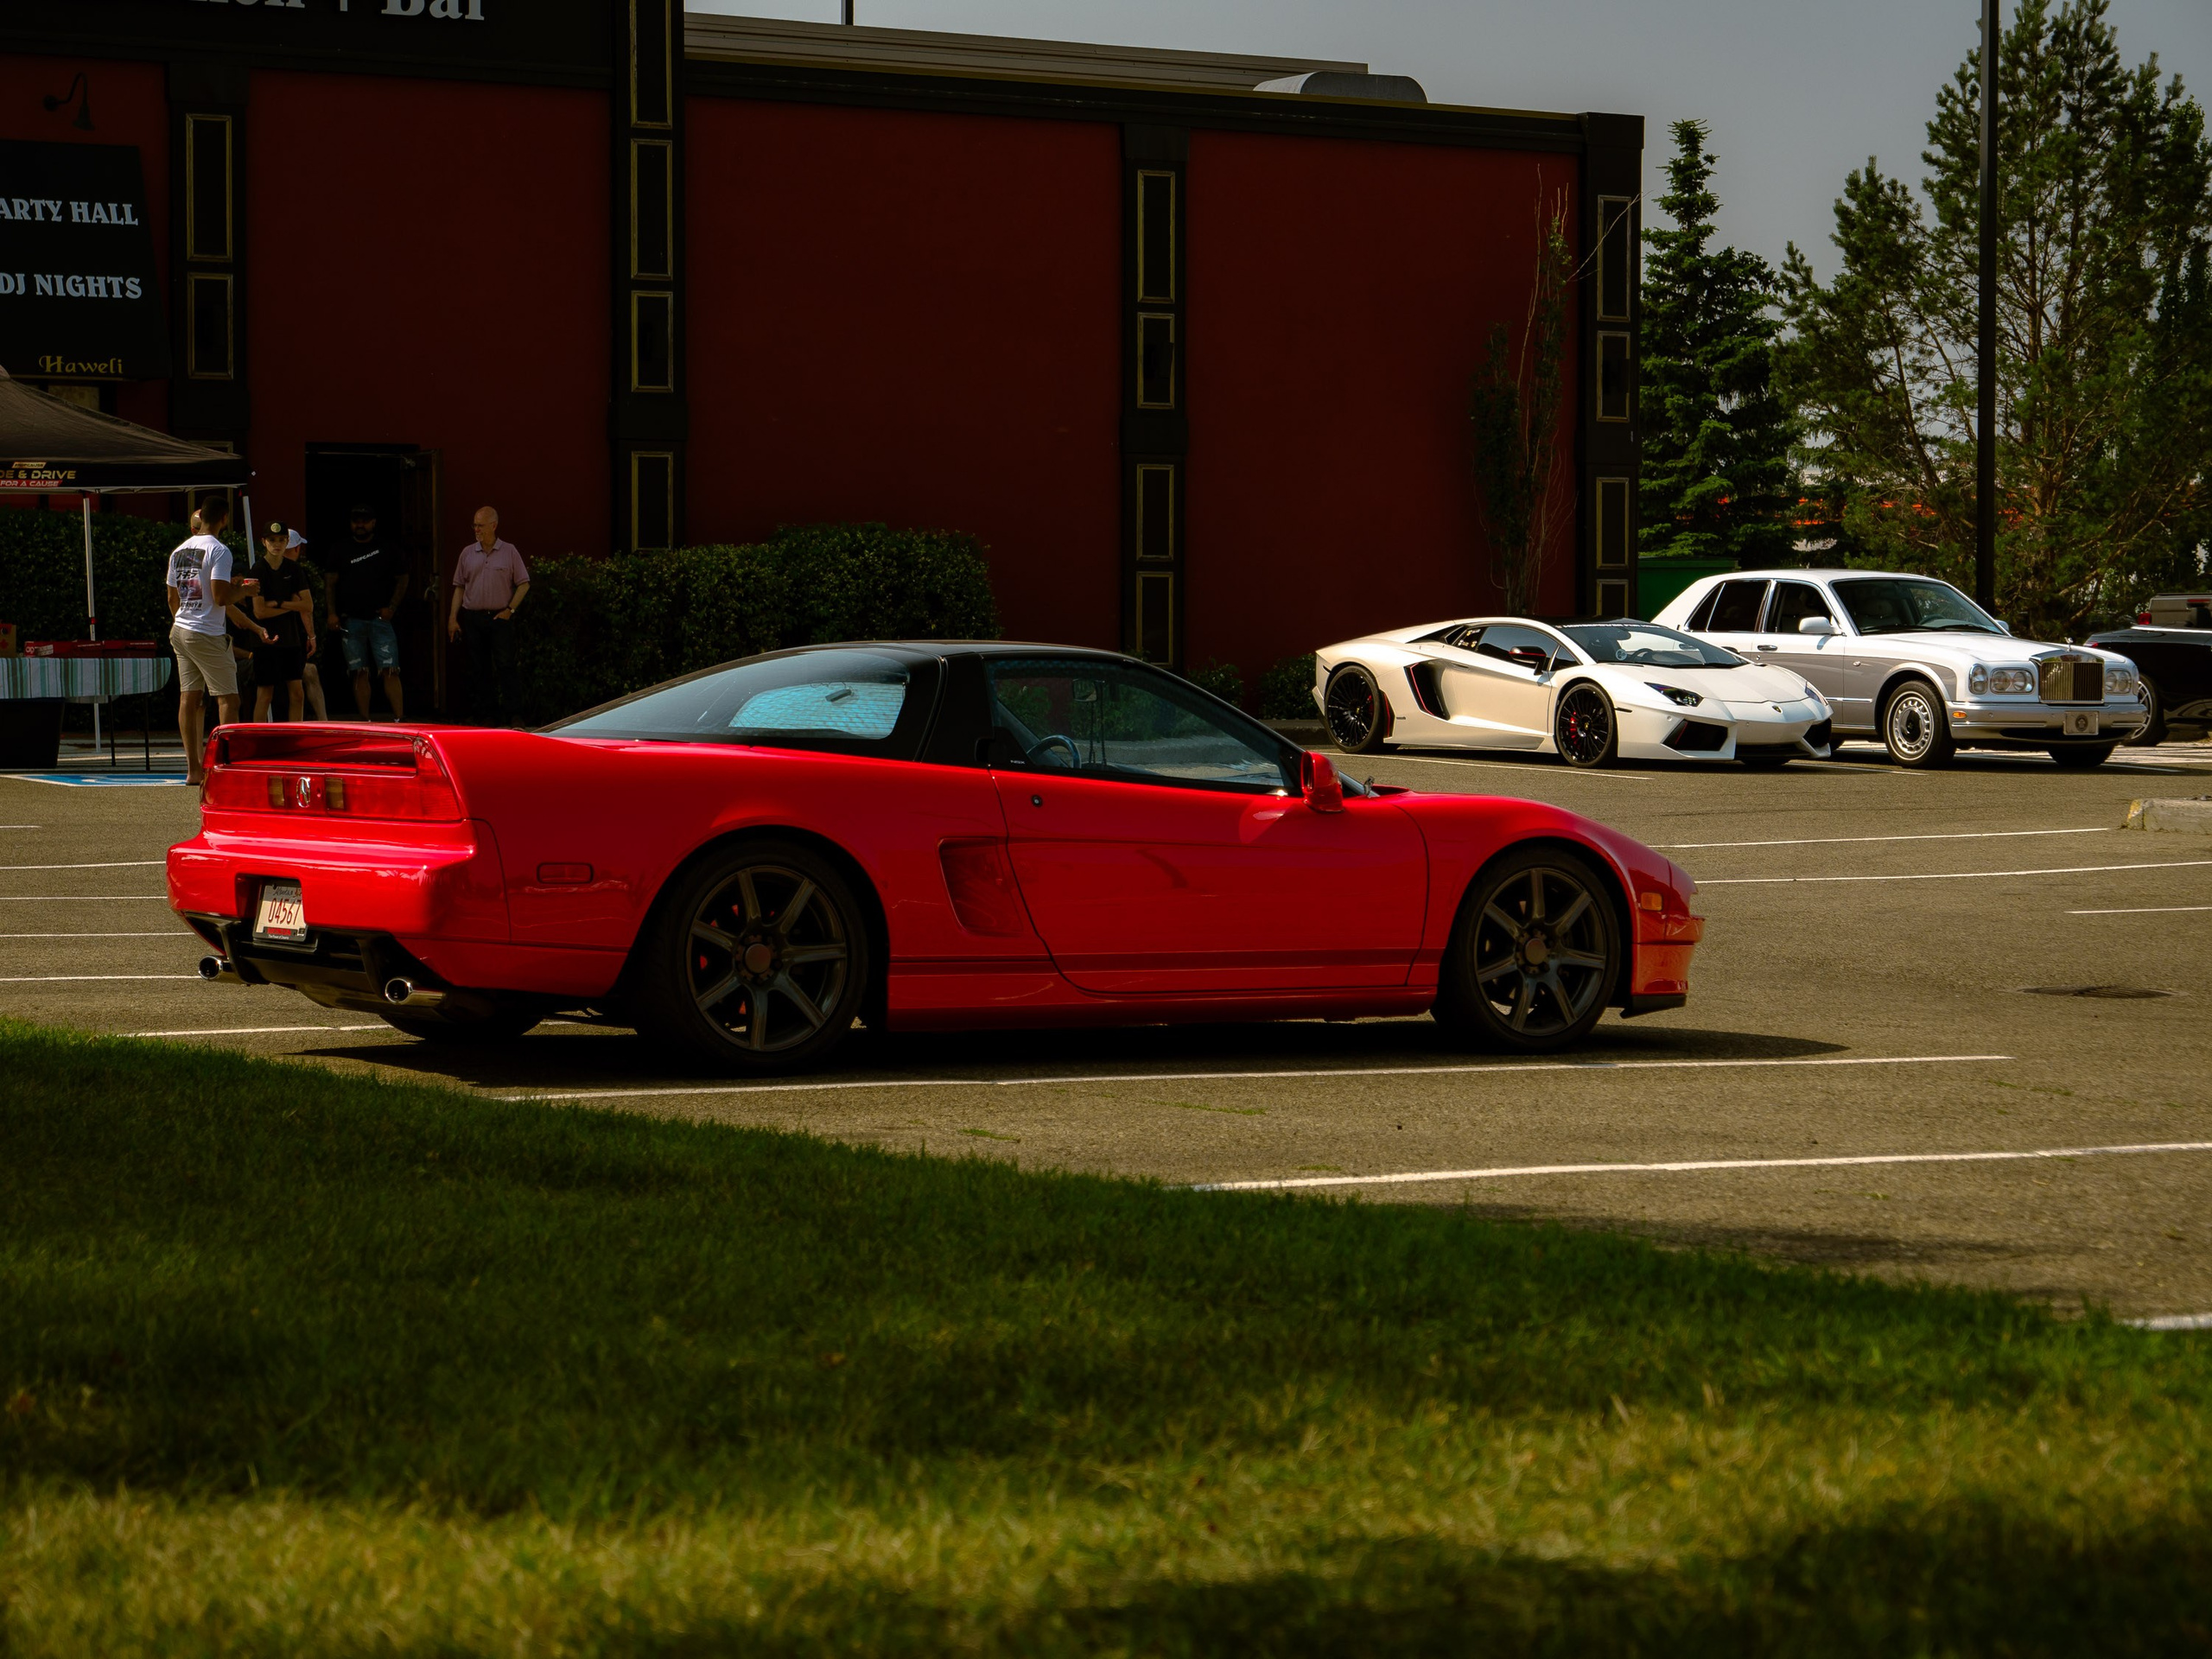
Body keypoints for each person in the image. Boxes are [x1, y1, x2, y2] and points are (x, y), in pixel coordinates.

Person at [165, 496, 260, 786]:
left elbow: (172, 598)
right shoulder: (219, 550)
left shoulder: (179, 551)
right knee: (229, 699)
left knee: (189, 698)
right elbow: (221, 597)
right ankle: (223, 766)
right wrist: (245, 591)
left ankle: (194, 769)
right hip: (206, 632)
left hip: (180, 628)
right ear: (224, 519)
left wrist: (185, 617)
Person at [447, 505, 531, 726]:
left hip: (499, 618)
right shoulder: (467, 553)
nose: (477, 529)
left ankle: (514, 714)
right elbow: (459, 587)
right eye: (474, 525)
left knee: (505, 665)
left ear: (493, 525)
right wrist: (452, 618)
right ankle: (487, 715)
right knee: (479, 667)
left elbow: (524, 584)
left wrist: (509, 610)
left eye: (481, 525)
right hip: (473, 618)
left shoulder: (509, 551)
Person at [327, 504, 407, 721]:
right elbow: (330, 583)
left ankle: (400, 719)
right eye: (356, 521)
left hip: (380, 619)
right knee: (358, 671)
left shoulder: (387, 548)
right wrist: (331, 613)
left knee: (390, 669)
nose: (360, 525)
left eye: (364, 520)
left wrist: (392, 607)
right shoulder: (340, 549)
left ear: (373, 523)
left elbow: (403, 578)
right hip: (350, 620)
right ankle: (365, 720)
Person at [250, 521, 315, 721]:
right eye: (272, 540)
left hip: (291, 640)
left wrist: (277, 603)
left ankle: (295, 739)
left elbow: (308, 606)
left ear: (287, 541)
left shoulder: (294, 569)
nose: (276, 544)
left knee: (297, 693)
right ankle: (258, 742)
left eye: (281, 540)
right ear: (264, 542)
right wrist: (291, 604)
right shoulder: (258, 570)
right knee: (265, 694)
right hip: (266, 641)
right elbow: (259, 612)